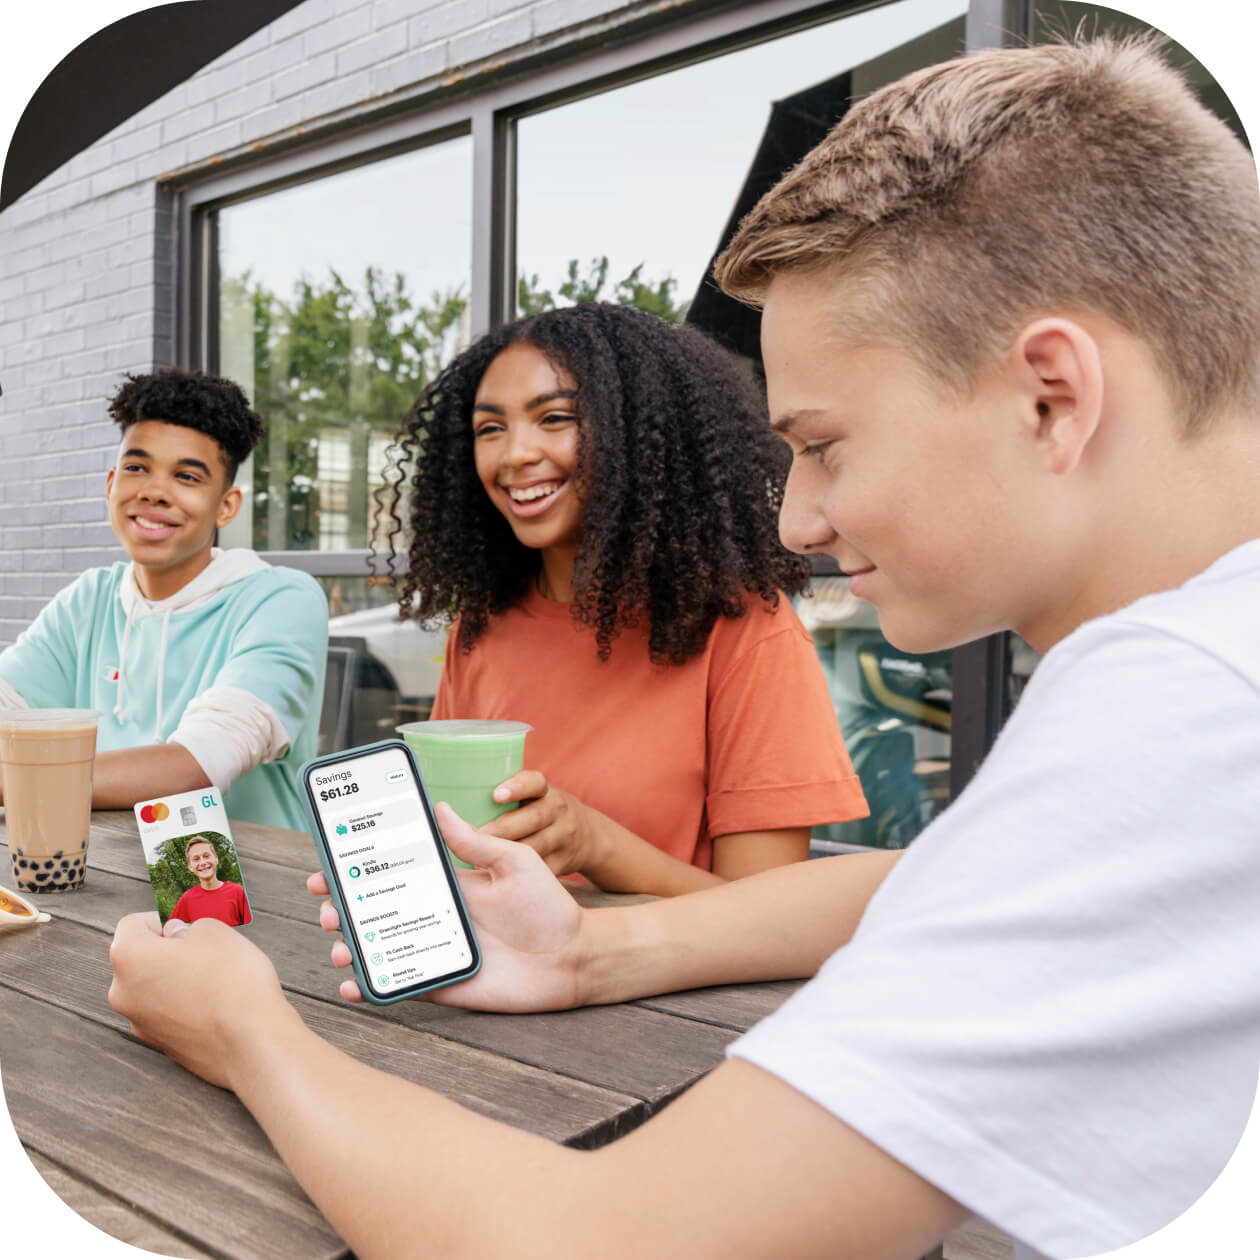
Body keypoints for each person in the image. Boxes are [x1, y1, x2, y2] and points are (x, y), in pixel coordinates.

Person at [108, 34, 1260, 1260]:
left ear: (1052, 397)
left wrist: (245, 1032)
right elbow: (939, 887)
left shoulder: (1185, 711)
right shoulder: (1188, 687)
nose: (797, 518)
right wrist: (595, 948)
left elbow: (603, 1243)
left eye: (824, 443)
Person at [375, 302, 867, 894]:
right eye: (490, 428)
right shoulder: (483, 625)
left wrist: (595, 845)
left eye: (554, 418)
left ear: (639, 434)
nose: (514, 455)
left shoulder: (744, 629)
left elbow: (776, 918)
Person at [0, 368, 328, 830]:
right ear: (110, 482)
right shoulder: (89, 600)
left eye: (187, 477)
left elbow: (196, 767)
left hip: (251, 888)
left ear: (226, 506)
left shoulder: (282, 599)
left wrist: (19, 777)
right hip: (102, 875)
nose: (154, 491)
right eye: (137, 468)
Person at [166, 836, 252, 929]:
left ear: (216, 859)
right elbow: (169, 928)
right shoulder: (187, 898)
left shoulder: (237, 891)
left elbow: (250, 928)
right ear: (190, 867)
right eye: (196, 859)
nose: (202, 862)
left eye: (206, 856)